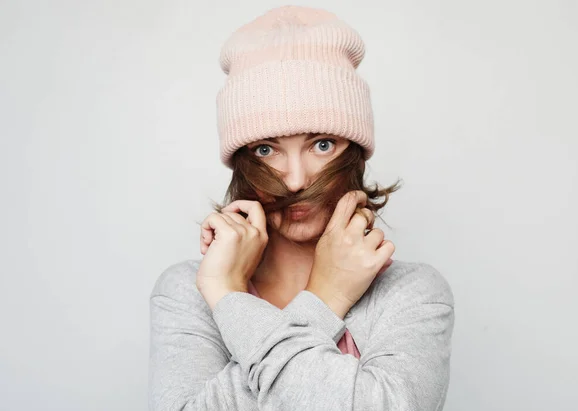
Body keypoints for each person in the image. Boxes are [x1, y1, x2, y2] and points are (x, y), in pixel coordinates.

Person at [149, 5, 454, 411]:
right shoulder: (191, 290)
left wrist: (231, 300)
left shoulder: (412, 294)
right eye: (266, 149)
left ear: (356, 155)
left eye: (322, 144)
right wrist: (322, 301)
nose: (295, 180)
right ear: (242, 160)